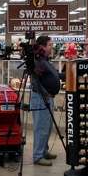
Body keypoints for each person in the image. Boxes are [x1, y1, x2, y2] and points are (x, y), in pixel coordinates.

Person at [31, 35, 61, 166]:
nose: (51, 47)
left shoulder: (45, 60)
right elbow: (34, 81)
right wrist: (45, 94)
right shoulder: (38, 61)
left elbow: (52, 75)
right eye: (49, 45)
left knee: (47, 127)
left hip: (48, 98)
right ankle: (38, 156)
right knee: (41, 127)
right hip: (41, 98)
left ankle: (44, 151)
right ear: (42, 47)